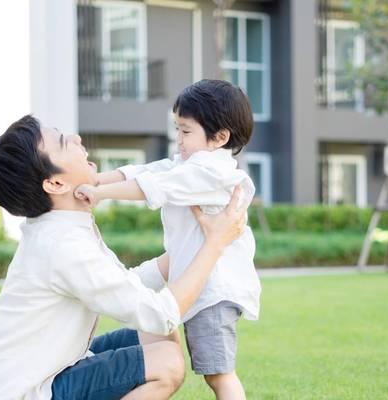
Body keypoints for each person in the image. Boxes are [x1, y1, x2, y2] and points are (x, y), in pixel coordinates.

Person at [0, 114, 250, 399]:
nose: (76, 139)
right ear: (56, 184)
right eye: (63, 142)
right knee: (165, 362)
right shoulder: (63, 245)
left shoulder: (63, 228)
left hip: (54, 369)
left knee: (160, 340)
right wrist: (215, 243)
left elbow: (123, 285)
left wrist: (182, 255)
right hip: (34, 392)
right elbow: (160, 314)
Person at [75, 79, 261, 400]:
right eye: (177, 129)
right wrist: (95, 178)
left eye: (186, 131)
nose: (179, 140)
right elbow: (142, 172)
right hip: (200, 288)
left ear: (219, 138)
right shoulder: (188, 164)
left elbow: (152, 188)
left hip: (214, 292)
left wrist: (100, 193)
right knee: (204, 365)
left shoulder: (210, 171)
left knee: (220, 375)